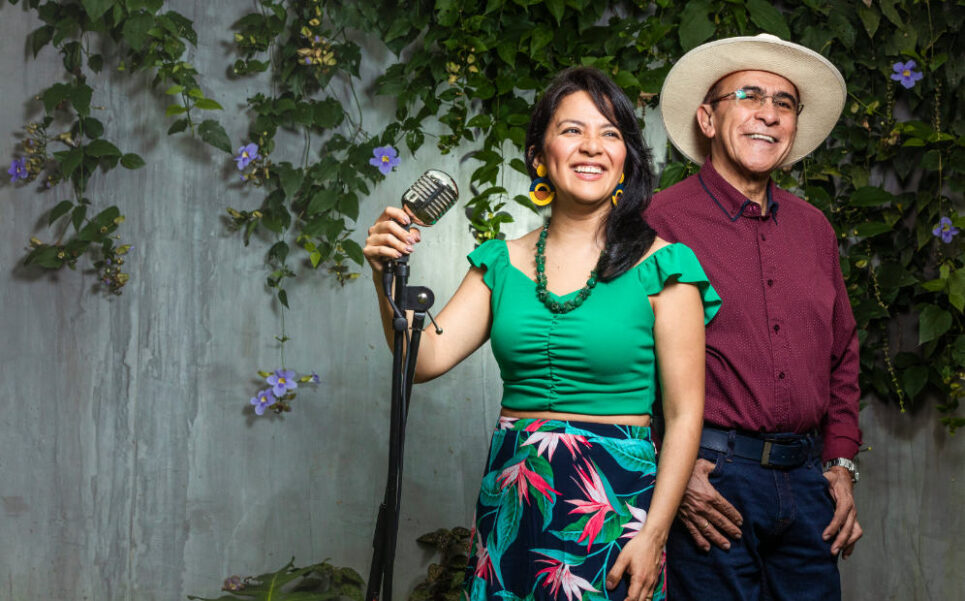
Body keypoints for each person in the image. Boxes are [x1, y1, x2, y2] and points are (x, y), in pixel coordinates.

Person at [363, 67, 721, 601]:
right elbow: (421, 360)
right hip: (512, 502)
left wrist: (653, 535)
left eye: (610, 133)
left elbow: (685, 415)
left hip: (614, 507)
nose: (592, 147)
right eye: (572, 130)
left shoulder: (666, 267)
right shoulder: (499, 264)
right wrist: (382, 272)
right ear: (538, 156)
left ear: (626, 159)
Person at [645, 34, 863, 601]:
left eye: (785, 103)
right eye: (748, 95)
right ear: (708, 119)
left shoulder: (815, 229)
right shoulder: (660, 222)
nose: (769, 113)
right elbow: (626, 352)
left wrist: (840, 462)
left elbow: (842, 351)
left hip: (808, 477)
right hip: (710, 479)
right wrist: (677, 467)